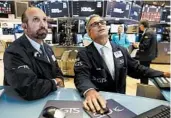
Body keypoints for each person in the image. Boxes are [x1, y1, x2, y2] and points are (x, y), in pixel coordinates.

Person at [74, 14, 170, 113]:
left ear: (107, 28)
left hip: (120, 102)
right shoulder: (84, 53)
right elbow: (81, 76)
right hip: (98, 104)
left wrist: (161, 73)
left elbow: (136, 69)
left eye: (102, 22)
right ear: (89, 33)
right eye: (94, 24)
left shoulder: (121, 50)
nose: (100, 25)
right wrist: (90, 91)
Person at [3, 7, 64, 100]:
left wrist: (58, 79)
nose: (43, 24)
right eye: (36, 20)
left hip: (48, 99)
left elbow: (57, 72)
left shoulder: (47, 48)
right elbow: (30, 88)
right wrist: (55, 82)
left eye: (44, 20)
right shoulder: (13, 52)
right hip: (23, 107)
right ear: (24, 26)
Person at [133, 20, 158, 84]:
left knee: (143, 70)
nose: (139, 27)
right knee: (145, 70)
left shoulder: (148, 32)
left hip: (146, 56)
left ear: (142, 25)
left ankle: (144, 84)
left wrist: (137, 45)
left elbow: (145, 45)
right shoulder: (151, 31)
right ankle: (144, 83)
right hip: (148, 55)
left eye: (140, 25)